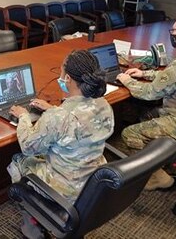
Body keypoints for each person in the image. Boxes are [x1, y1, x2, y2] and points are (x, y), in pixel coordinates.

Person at [7, 50, 114, 239]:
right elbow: (79, 121)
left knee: (18, 160)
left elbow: (28, 146)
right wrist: (53, 110)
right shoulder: (104, 105)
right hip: (93, 184)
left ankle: (32, 225)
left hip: (65, 189)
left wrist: (23, 116)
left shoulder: (59, 117)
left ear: (69, 79)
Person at [116, 10, 176, 190]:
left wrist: (126, 80)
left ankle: (156, 176)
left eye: (174, 31)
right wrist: (144, 72)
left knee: (129, 133)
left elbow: (149, 93)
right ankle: (167, 161)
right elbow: (172, 77)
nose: (171, 35)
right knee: (147, 116)